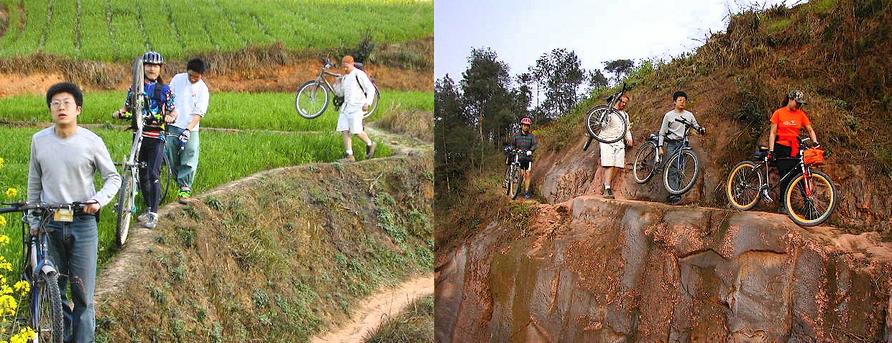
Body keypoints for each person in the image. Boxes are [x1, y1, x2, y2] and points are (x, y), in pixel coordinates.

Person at [28, 82, 121, 342]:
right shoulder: (39, 141)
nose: (61, 108)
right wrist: (34, 219)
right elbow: (34, 182)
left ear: (78, 109)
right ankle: (63, 336)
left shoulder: (91, 142)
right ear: (50, 109)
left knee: (82, 294)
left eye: (66, 103)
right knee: (55, 289)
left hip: (82, 222)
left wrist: (98, 200)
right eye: (55, 103)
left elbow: (113, 178)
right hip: (50, 222)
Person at [113, 51, 177, 228]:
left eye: (155, 66)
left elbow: (173, 111)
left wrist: (170, 118)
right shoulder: (135, 89)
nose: (152, 68)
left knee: (153, 173)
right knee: (141, 174)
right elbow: (126, 108)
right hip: (140, 134)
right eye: (148, 65)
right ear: (142, 68)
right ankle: (148, 206)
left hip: (156, 136)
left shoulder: (165, 90)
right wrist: (120, 113)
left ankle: (154, 214)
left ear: (160, 69)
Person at [166, 58, 210, 205]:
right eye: (190, 75)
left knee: (190, 153)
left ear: (201, 75)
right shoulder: (178, 79)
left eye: (196, 77)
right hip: (173, 124)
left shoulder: (203, 89)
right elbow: (169, 98)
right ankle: (177, 178)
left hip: (191, 127)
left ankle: (185, 187)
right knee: (170, 151)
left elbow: (199, 112)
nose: (192, 78)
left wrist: (188, 130)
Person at [768, 90, 818, 212]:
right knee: (785, 175)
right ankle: (782, 205)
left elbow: (810, 129)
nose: (799, 105)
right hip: (781, 147)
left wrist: (815, 143)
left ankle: (808, 206)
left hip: (795, 147)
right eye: (797, 102)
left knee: (799, 175)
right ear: (790, 99)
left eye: (800, 103)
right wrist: (771, 150)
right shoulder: (778, 113)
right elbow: (773, 133)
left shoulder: (801, 114)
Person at [658, 91, 705, 204]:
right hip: (671, 143)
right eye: (680, 100)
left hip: (683, 143)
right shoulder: (669, 115)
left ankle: (676, 193)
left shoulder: (689, 115)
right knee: (672, 169)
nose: (682, 102)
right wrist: (660, 146)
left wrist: (701, 129)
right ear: (674, 102)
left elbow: (696, 125)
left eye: (684, 100)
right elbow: (662, 132)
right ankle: (673, 194)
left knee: (680, 169)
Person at [335, 55, 377, 162]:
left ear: (352, 64)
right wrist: (338, 83)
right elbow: (340, 94)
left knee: (356, 131)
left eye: (346, 67)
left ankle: (370, 144)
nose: (344, 69)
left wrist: (368, 103)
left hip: (358, 106)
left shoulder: (359, 74)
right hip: (346, 107)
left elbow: (370, 89)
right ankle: (349, 155)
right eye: (343, 67)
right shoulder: (344, 78)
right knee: (344, 129)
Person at [599, 94, 633, 199]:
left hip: (619, 142)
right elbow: (602, 125)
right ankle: (607, 189)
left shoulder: (625, 115)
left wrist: (629, 138)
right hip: (607, 139)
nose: (623, 104)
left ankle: (606, 184)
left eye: (625, 103)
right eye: (621, 101)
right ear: (617, 100)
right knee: (609, 163)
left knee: (618, 165)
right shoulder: (608, 111)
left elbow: (626, 128)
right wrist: (607, 116)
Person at [510, 117, 539, 199]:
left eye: (528, 125)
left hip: (528, 158)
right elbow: (512, 144)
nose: (526, 127)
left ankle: (526, 192)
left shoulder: (532, 136)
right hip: (519, 157)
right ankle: (517, 189)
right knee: (521, 174)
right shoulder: (516, 136)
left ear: (529, 127)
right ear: (521, 125)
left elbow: (535, 145)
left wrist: (531, 150)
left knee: (528, 174)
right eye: (524, 125)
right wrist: (514, 149)